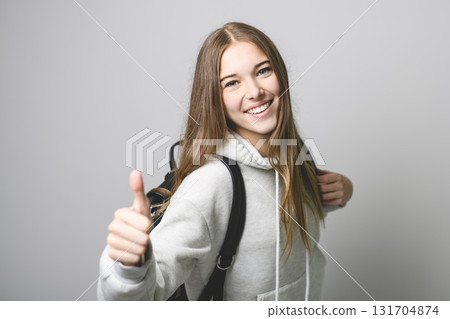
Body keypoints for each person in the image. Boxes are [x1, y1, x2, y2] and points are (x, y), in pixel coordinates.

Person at [97, 22, 353, 301]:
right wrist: (128, 267)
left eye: (263, 71)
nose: (255, 91)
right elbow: (145, 294)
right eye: (232, 83)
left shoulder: (293, 152)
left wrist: (338, 193)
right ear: (214, 99)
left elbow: (279, 217)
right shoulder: (211, 183)